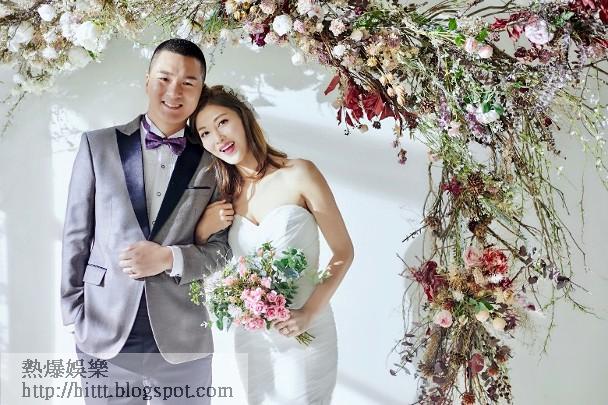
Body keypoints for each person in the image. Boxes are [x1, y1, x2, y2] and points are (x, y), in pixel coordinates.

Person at [60, 39, 230, 404]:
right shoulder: (98, 145)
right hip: (103, 328)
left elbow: (221, 250)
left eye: (188, 82)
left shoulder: (214, 160)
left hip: (183, 336)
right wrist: (73, 313)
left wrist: (170, 257)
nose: (174, 91)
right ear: (147, 80)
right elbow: (76, 234)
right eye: (164, 78)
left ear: (201, 90)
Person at [192, 85, 354, 404]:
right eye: (205, 133)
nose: (218, 138)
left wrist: (308, 313)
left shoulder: (299, 173)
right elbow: (206, 263)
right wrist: (202, 231)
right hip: (252, 338)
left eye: (223, 122)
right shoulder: (222, 196)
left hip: (306, 327)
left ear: (243, 117)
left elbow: (344, 252)